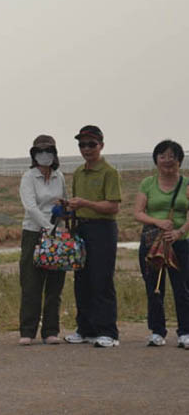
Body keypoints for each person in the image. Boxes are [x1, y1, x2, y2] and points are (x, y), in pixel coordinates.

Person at [65, 125, 122, 348]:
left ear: (101, 145)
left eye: (91, 144)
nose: (86, 149)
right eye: (82, 144)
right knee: (82, 280)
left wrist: (84, 203)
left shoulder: (109, 172)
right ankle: (86, 329)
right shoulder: (79, 172)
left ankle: (108, 331)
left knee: (101, 279)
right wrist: (68, 208)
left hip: (103, 229)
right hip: (81, 228)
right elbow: (78, 204)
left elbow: (113, 206)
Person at [134, 139, 189, 348]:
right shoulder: (147, 183)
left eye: (172, 156)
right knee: (154, 288)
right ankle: (157, 331)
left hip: (180, 242)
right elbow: (137, 213)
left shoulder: (186, 184)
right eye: (163, 156)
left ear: (179, 161)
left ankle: (185, 331)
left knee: (182, 288)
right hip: (152, 242)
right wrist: (158, 222)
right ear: (156, 160)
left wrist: (178, 232)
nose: (167, 160)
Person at [18, 135, 67, 346]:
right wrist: (48, 228)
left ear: (54, 154)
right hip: (34, 231)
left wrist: (62, 218)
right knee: (31, 283)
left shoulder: (59, 176)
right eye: (40, 151)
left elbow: (63, 200)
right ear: (34, 154)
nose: (44, 155)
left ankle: (51, 330)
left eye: (48, 151)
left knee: (54, 284)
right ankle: (28, 330)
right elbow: (30, 206)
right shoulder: (28, 177)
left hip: (57, 231)